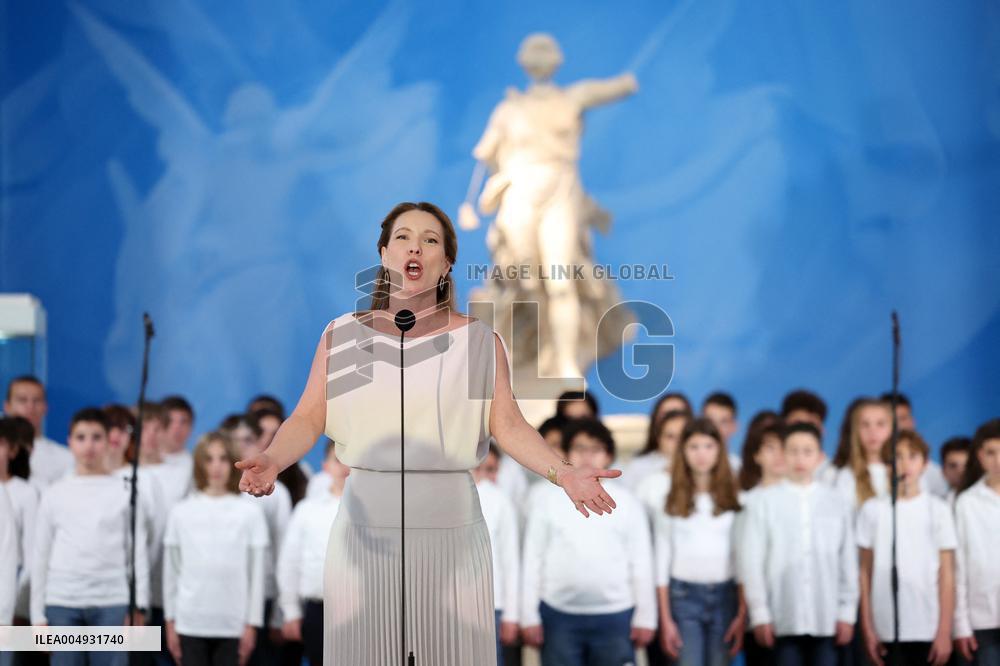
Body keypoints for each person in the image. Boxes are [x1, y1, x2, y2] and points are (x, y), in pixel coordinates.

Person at [235, 201, 619, 665]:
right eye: (403, 237)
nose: (415, 245)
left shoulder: (478, 342)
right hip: (363, 537)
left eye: (430, 239)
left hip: (452, 538)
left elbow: (509, 425)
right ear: (383, 254)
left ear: (446, 263)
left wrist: (566, 474)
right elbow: (307, 418)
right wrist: (274, 459)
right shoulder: (342, 337)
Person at [521, 418, 656, 665]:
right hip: (557, 615)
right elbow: (532, 560)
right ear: (565, 454)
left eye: (595, 449)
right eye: (579, 448)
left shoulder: (628, 503)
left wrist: (646, 617)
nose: (587, 456)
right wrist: (528, 615)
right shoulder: (546, 501)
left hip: (616, 616)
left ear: (609, 456)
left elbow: (642, 562)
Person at [31, 408, 148, 666]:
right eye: (81, 437)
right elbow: (40, 555)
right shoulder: (55, 492)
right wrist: (37, 615)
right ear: (69, 442)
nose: (89, 446)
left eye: (96, 437)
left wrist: (139, 605)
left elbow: (137, 551)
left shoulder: (126, 491)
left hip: (113, 602)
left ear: (108, 442)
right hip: (62, 602)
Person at [741, 422, 858, 666]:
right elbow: (752, 562)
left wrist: (846, 612)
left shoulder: (837, 502)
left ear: (820, 457)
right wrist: (760, 613)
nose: (800, 458)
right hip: (783, 615)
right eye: (793, 451)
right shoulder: (764, 502)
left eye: (808, 451)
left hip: (826, 617)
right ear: (783, 455)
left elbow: (847, 561)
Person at [164, 431, 268, 666]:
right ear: (199, 464)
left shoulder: (250, 513)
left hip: (232, 623)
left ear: (233, 462)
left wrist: (252, 624)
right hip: (190, 621)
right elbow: (172, 573)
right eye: (209, 459)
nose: (216, 467)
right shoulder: (181, 512)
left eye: (223, 459)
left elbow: (256, 575)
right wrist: (170, 622)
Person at [857, 430, 956, 666]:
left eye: (912, 456)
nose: (904, 464)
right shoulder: (872, 510)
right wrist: (868, 628)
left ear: (924, 463)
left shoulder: (938, 509)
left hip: (927, 624)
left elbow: (947, 574)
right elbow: (864, 573)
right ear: (886, 465)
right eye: (896, 457)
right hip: (886, 627)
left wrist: (944, 631)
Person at [654, 417, 744, 665]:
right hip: (683, 597)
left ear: (719, 450)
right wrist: (665, 618)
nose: (701, 454)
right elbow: (661, 561)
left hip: (725, 597)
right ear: (683, 451)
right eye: (693, 447)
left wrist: (743, 610)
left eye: (708, 446)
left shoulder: (736, 498)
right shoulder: (669, 499)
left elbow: (743, 558)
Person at [277, 440, 348, 666]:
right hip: (319, 608)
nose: (345, 467)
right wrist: (290, 611)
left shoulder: (377, 513)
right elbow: (290, 562)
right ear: (326, 466)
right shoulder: (307, 511)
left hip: (366, 610)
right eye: (338, 460)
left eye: (351, 460)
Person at [734, 417, 784, 666]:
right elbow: (743, 563)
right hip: (757, 613)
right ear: (756, 455)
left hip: (795, 612)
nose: (779, 455)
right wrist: (747, 610)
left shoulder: (804, 502)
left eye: (784, 447)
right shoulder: (745, 502)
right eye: (770, 448)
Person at [953, 419, 1000, 665]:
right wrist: (960, 624)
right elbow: (958, 566)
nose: (998, 461)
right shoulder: (966, 503)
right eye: (991, 453)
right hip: (983, 617)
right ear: (980, 456)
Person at [472, 443, 521, 666]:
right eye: (479, 468)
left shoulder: (500, 501)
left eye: (492, 470)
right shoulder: (442, 498)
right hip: (448, 606)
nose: (484, 476)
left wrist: (511, 615)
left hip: (492, 605)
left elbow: (510, 561)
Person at [0, 416, 38, 624]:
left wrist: (16, 599)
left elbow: (30, 551)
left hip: (12, 585)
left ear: (13, 451)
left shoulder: (25, 492)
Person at [3, 376, 72, 489]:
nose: (30, 407)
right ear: (7, 406)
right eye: (22, 400)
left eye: (36, 401)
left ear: (45, 407)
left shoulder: (66, 458)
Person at [701, 392, 742, 472]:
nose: (715, 428)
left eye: (723, 422)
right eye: (710, 421)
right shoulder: (680, 470)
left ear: (734, 426)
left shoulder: (741, 472)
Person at [940, 436, 972, 506]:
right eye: (953, 466)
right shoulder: (937, 507)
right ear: (943, 471)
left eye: (966, 465)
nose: (960, 471)